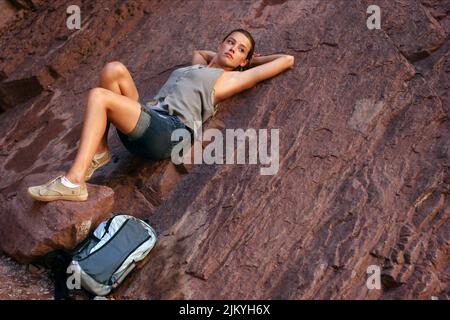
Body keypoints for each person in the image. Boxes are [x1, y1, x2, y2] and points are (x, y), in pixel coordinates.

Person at [27, 28, 295, 202]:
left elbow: (287, 60)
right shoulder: (198, 66)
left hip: (169, 132)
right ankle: (99, 150)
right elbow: (200, 53)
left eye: (240, 50)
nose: (232, 49)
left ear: (243, 62)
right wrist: (228, 57)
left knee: (100, 96)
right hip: (149, 118)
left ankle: (74, 182)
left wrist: (252, 62)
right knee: (113, 69)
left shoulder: (228, 81)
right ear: (221, 42)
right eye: (230, 42)